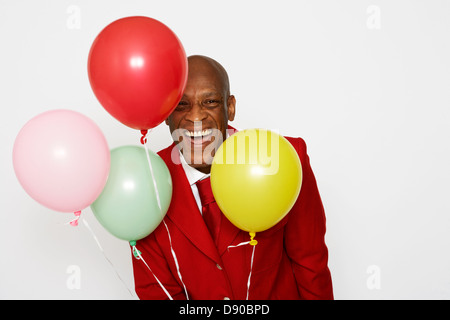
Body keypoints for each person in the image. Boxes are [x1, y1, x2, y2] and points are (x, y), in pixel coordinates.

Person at [131, 55, 333, 300]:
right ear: (165, 112)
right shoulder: (143, 185)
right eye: (182, 105)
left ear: (231, 107)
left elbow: (310, 265)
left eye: (210, 102)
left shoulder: (285, 160)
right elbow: (157, 292)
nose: (196, 117)